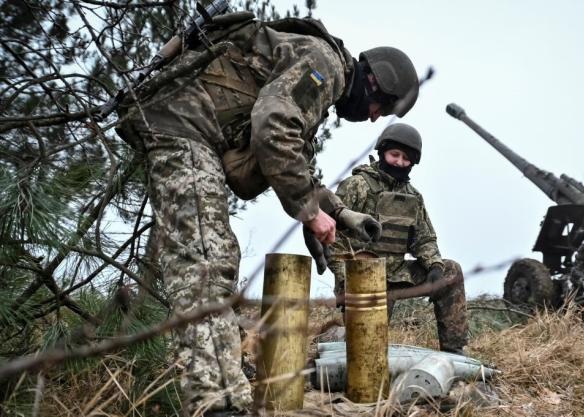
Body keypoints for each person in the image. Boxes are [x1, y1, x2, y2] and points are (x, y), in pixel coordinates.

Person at [116, 12, 419, 417]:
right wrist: (310, 214)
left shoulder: (316, 73)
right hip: (182, 122)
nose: (375, 116)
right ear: (372, 80)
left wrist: (338, 215)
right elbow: (273, 126)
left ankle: (222, 376)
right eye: (381, 105)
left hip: (187, 124)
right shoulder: (323, 64)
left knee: (209, 254)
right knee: (206, 259)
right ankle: (217, 402)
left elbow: (297, 163)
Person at [328, 123, 469, 354]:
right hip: (362, 277)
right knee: (368, 352)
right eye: (395, 155)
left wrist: (434, 265)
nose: (399, 162)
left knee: (451, 271)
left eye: (406, 158)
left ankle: (454, 352)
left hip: (398, 273)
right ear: (383, 152)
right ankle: (336, 341)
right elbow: (334, 240)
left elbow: (424, 239)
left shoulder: (413, 196)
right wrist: (346, 280)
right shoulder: (357, 186)